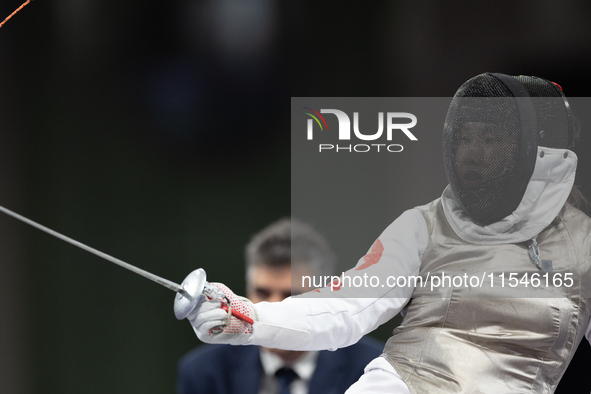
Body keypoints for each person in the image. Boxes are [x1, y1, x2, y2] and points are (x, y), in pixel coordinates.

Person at [180, 73, 591, 393]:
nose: (470, 153)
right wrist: (249, 317)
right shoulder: (426, 225)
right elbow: (347, 305)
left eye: (490, 138)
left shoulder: (584, 244)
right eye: (463, 138)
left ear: (538, 152)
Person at [177, 218, 384, 394]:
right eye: (262, 293)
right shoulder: (204, 373)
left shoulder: (375, 370)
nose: (274, 306)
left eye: (291, 296)